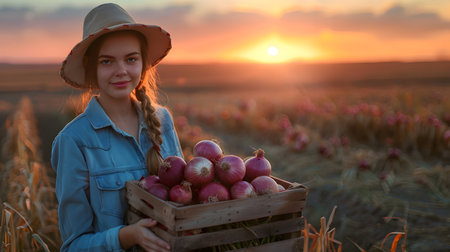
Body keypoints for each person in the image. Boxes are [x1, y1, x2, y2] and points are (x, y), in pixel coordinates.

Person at [51, 3, 183, 251]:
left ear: (143, 63)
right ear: (92, 68)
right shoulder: (74, 140)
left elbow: (183, 202)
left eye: (131, 59)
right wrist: (125, 237)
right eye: (107, 61)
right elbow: (74, 245)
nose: (121, 71)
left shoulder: (162, 120)